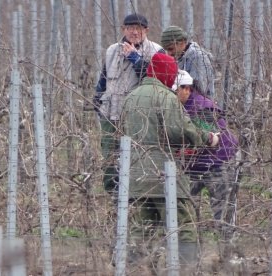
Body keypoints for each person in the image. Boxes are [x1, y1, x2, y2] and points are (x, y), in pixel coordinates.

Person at [120, 53, 220, 273]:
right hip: (163, 175)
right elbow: (179, 132)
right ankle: (186, 269)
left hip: (136, 173)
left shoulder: (131, 96)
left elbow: (122, 132)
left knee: (142, 227)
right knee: (183, 224)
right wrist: (207, 138)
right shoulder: (165, 97)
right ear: (166, 73)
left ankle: (134, 269)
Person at [93, 13, 165, 196]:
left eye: (138, 28)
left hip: (139, 117)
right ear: (123, 30)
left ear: (146, 30)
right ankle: (114, 197)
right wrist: (97, 98)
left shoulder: (157, 51)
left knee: (136, 157)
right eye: (130, 28)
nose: (134, 32)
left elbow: (157, 80)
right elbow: (104, 77)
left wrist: (134, 58)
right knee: (109, 156)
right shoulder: (112, 50)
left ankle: (134, 197)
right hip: (111, 114)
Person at [172, 69, 238, 241]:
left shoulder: (203, 108)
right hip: (194, 164)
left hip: (218, 161)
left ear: (187, 89)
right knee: (185, 206)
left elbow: (209, 140)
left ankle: (226, 251)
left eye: (175, 91)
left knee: (221, 209)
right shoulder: (180, 106)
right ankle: (193, 246)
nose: (172, 94)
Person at [160, 25, 215, 99]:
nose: (169, 53)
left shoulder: (198, 57)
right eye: (166, 50)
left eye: (171, 49)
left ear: (182, 42)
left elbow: (199, 89)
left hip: (199, 107)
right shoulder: (178, 57)